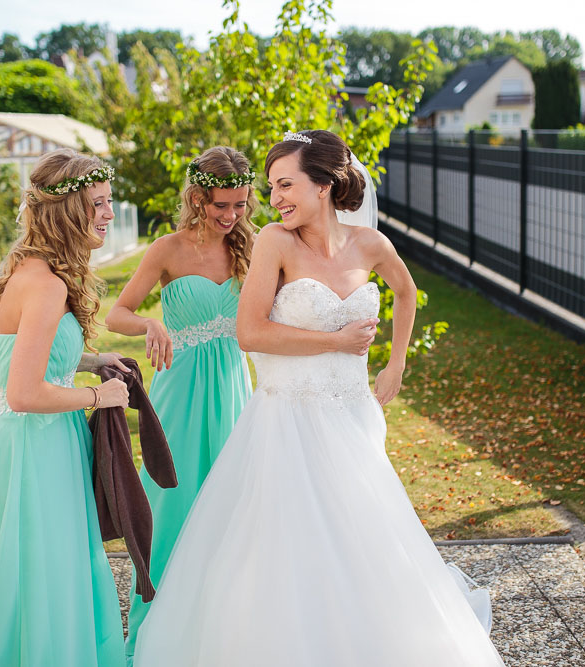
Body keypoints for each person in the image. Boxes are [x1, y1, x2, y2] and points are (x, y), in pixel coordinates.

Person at [134, 130, 505, 666]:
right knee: (287, 545)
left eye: (286, 185)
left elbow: (406, 291)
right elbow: (251, 333)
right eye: (272, 186)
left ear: (325, 185)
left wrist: (395, 362)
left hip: (352, 415)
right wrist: (335, 341)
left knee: (363, 537)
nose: (276, 197)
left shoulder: (370, 244)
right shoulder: (274, 243)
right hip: (287, 418)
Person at [0, 149, 131, 666]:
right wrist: (100, 396)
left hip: (37, 443)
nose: (109, 214)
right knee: (40, 577)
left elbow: (36, 359)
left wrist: (91, 361)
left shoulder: (33, 268)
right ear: (68, 211)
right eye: (99, 204)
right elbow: (24, 392)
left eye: (109, 202)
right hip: (34, 450)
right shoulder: (44, 285)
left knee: (46, 572)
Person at [105, 146, 256, 665]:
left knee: (234, 504)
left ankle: (223, 629)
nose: (231, 216)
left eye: (240, 205)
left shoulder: (249, 247)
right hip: (180, 393)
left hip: (234, 389)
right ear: (197, 197)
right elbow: (116, 314)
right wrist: (152, 323)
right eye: (222, 205)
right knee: (175, 506)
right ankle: (159, 627)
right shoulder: (166, 250)